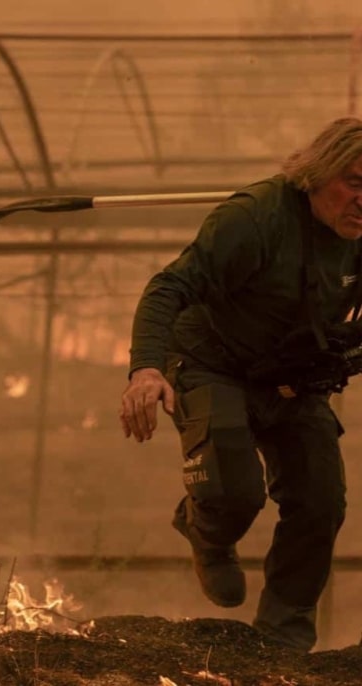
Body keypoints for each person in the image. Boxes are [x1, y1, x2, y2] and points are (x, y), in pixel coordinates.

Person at [118, 117, 362, 652]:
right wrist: (147, 369)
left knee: (321, 502)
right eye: (356, 183)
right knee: (232, 493)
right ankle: (205, 527)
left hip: (295, 379)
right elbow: (167, 287)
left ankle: (283, 639)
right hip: (211, 364)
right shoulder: (253, 218)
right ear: (317, 175)